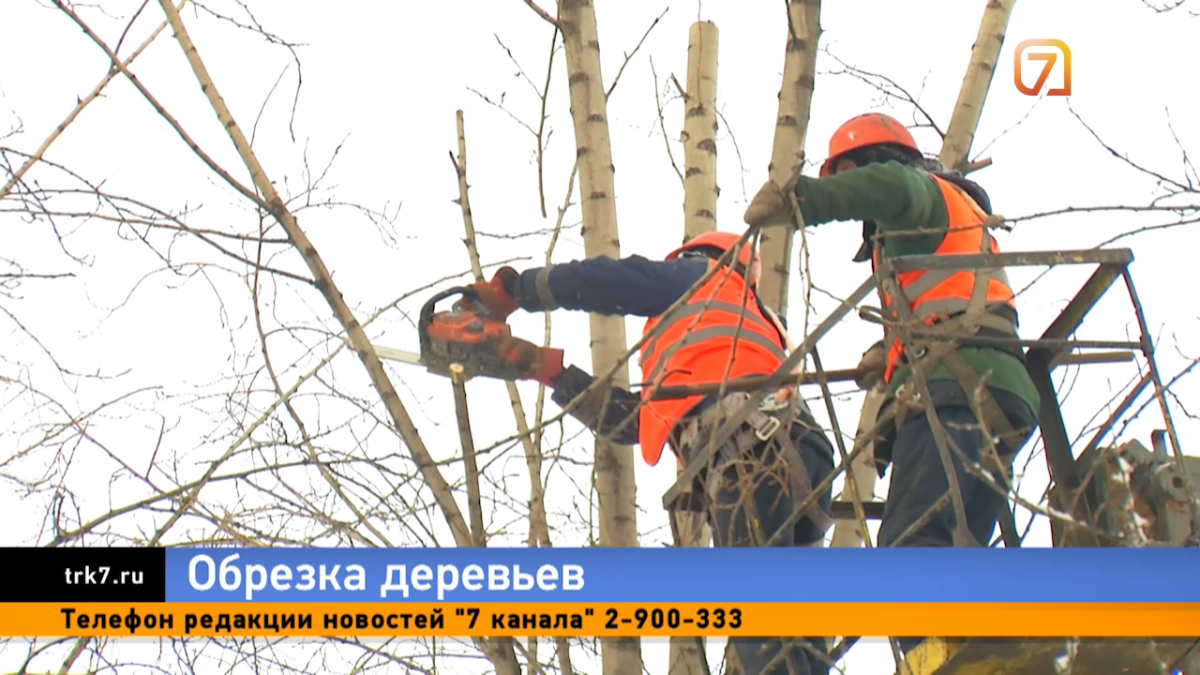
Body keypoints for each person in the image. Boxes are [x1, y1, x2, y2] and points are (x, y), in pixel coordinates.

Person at [464, 231, 836, 675]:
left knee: (758, 620)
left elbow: (613, 281)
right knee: (800, 629)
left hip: (751, 455)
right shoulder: (751, 324)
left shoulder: (704, 277)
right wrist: (549, 370)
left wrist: (518, 290)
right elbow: (634, 423)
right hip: (804, 459)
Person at [742, 111, 1042, 656]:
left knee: (908, 544)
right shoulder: (929, 231)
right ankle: (992, 654)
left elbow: (890, 185)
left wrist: (801, 199)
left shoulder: (919, 192)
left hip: (962, 389)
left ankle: (938, 662)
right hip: (993, 392)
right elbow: (947, 306)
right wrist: (891, 354)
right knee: (956, 548)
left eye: (850, 179)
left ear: (869, 164)